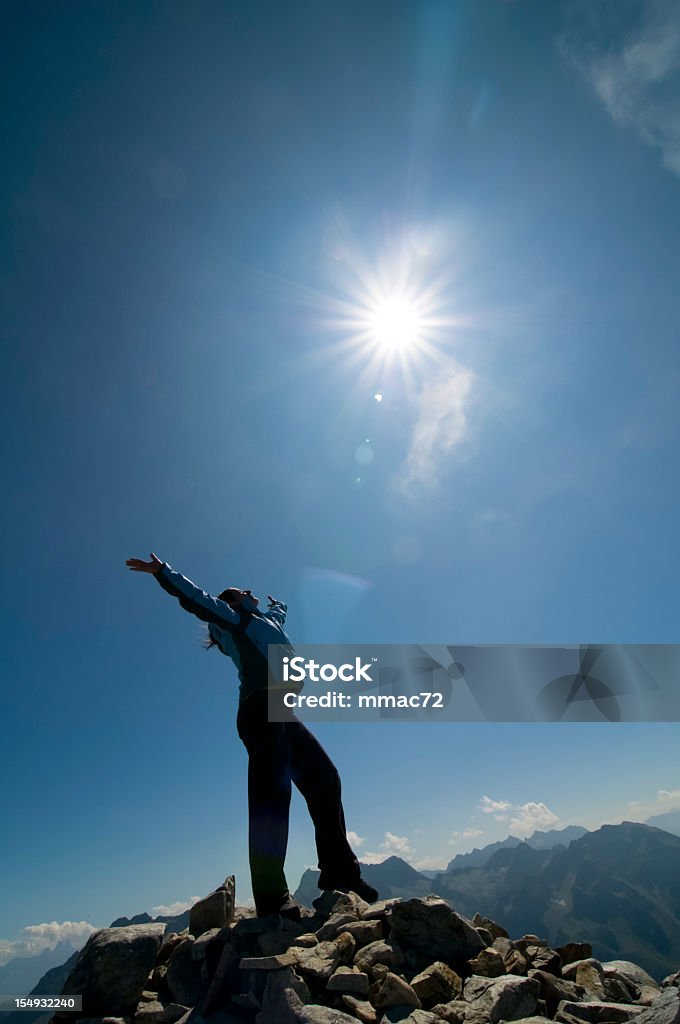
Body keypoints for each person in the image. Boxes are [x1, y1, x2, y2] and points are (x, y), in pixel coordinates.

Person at [125, 552, 378, 919]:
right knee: (272, 795)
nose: (247, 590)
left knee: (325, 778)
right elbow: (196, 599)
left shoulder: (258, 619)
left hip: (281, 711)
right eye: (239, 591)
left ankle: (340, 873)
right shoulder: (233, 619)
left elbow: (276, 619)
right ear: (230, 603)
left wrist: (280, 606)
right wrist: (163, 572)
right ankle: (272, 898)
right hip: (259, 711)